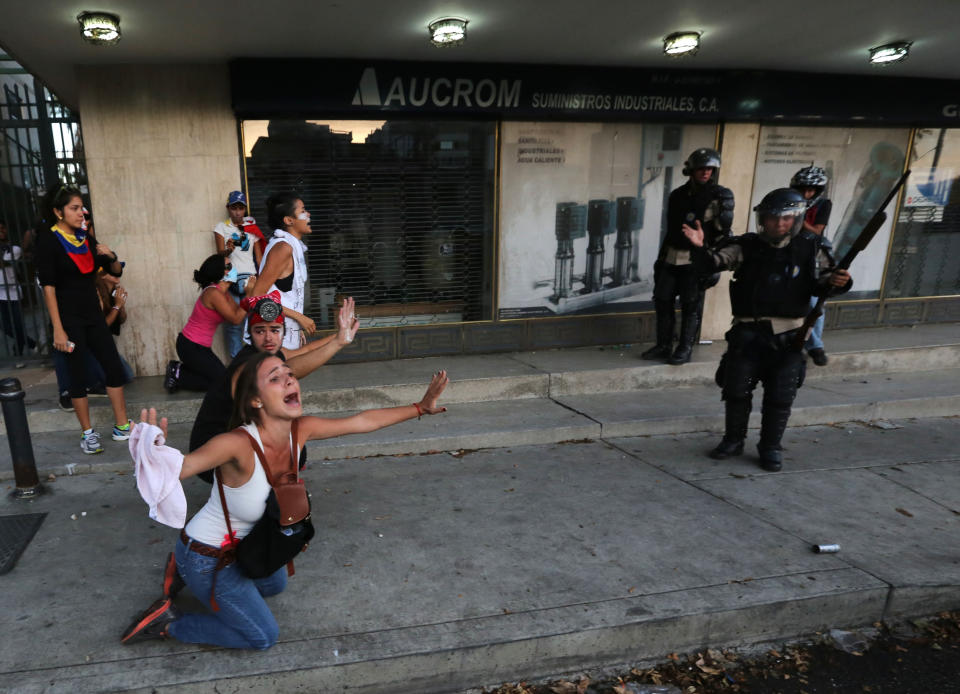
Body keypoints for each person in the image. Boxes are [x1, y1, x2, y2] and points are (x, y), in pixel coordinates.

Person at [120, 353, 448, 648]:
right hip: (207, 555)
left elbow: (362, 421)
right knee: (262, 635)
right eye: (275, 378)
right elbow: (182, 468)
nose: (289, 379)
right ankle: (171, 622)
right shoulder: (236, 444)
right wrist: (151, 449)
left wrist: (420, 407)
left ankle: (189, 578)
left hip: (242, 545)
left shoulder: (298, 431)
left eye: (288, 373)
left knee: (275, 583)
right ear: (256, 401)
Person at [683, 188, 851, 472]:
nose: (778, 224)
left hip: (789, 338)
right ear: (764, 220)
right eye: (772, 218)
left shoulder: (812, 248)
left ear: (795, 219)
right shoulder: (746, 245)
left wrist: (840, 281)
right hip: (747, 335)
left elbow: (825, 283)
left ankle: (770, 447)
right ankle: (733, 440)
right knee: (736, 391)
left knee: (780, 397)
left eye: (785, 219)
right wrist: (699, 247)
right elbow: (712, 263)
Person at [188, 291, 358, 480]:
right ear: (250, 334)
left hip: (235, 445)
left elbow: (306, 351)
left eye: (274, 330)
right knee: (288, 443)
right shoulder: (249, 364)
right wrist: (336, 345)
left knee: (295, 447)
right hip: (212, 457)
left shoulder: (270, 353)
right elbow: (293, 368)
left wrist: (341, 337)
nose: (268, 338)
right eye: (260, 331)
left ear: (283, 332)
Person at [36, 185, 133, 453]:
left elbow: (113, 270)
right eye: (74, 208)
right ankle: (87, 433)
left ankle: (122, 427)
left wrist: (111, 256)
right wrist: (58, 329)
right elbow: (49, 288)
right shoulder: (48, 240)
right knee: (77, 376)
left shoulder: (84, 238)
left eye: (82, 208)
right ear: (58, 212)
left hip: (93, 315)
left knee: (113, 369)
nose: (81, 213)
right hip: (69, 319)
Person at [642, 148, 734, 365]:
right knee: (663, 300)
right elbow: (672, 229)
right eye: (701, 168)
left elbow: (724, 234)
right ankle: (664, 345)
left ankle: (684, 348)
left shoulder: (720, 196)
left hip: (697, 257)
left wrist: (712, 264)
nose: (706, 172)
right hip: (672, 255)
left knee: (691, 304)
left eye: (710, 168)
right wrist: (661, 259)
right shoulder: (677, 195)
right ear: (691, 169)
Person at [164, 254, 252, 393]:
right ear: (219, 272)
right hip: (190, 346)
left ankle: (180, 370)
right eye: (228, 266)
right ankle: (178, 373)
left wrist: (250, 296)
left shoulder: (224, 293)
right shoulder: (213, 293)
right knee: (221, 383)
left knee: (222, 380)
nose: (233, 269)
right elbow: (236, 319)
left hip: (201, 348)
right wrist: (249, 295)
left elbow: (237, 312)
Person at [248, 193, 316, 352]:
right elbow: (256, 296)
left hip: (285, 333)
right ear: (289, 220)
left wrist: (296, 326)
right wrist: (300, 317)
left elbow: (289, 295)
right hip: (271, 338)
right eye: (303, 210)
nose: (308, 214)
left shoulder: (292, 246)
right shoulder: (282, 248)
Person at [790, 165, 833, 366]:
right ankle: (813, 346)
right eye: (803, 190)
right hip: (790, 251)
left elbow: (817, 230)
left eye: (811, 190)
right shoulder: (788, 200)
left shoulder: (823, 204)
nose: (806, 194)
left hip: (814, 252)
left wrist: (797, 217)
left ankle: (815, 345)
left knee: (817, 303)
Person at [213, 191, 264, 358]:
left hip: (250, 278)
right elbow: (220, 254)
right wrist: (228, 249)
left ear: (245, 210)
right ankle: (237, 361)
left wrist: (262, 279)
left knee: (255, 321)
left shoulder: (251, 228)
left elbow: (259, 257)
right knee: (234, 323)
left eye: (241, 208)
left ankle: (255, 359)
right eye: (234, 208)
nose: (237, 212)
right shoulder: (221, 228)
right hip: (231, 279)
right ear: (228, 208)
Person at [0, 219, 38, 357]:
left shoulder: (14, 249)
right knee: (6, 327)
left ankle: (18, 353)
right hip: (0, 293)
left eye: (3, 228)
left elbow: (3, 262)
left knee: (17, 325)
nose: (2, 231)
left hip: (13, 292)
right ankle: (32, 344)